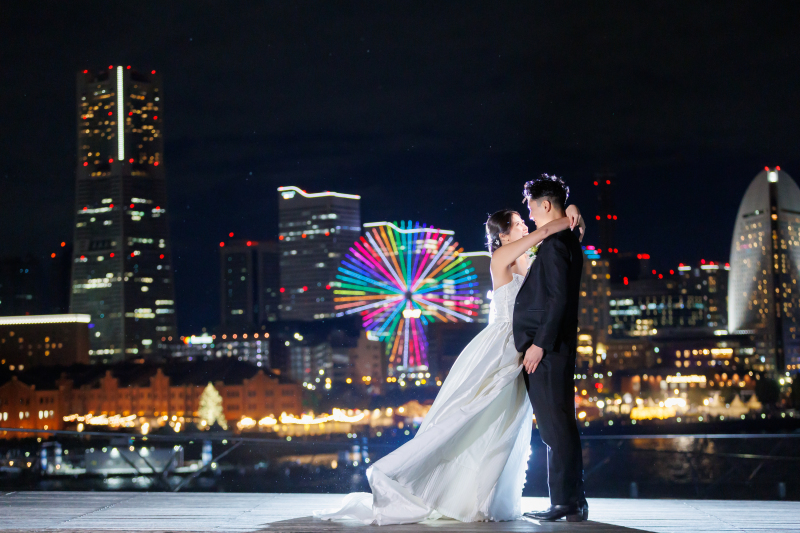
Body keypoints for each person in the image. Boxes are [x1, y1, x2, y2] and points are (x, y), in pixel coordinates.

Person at [314, 193, 585, 525]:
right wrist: (570, 215)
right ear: (502, 235)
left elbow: (549, 253)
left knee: (502, 424)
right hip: (502, 345)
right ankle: (418, 478)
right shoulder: (501, 256)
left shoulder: (527, 256)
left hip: (520, 346)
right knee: (469, 413)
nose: (525, 225)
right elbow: (544, 232)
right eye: (517, 223)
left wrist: (572, 211)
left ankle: (482, 493)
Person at [514, 174, 588, 522]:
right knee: (560, 425)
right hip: (556, 347)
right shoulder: (567, 239)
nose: (529, 215)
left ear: (545, 205)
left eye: (531, 207)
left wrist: (539, 345)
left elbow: (558, 299)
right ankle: (572, 501)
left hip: (549, 350)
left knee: (554, 428)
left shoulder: (557, 244)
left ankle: (564, 503)